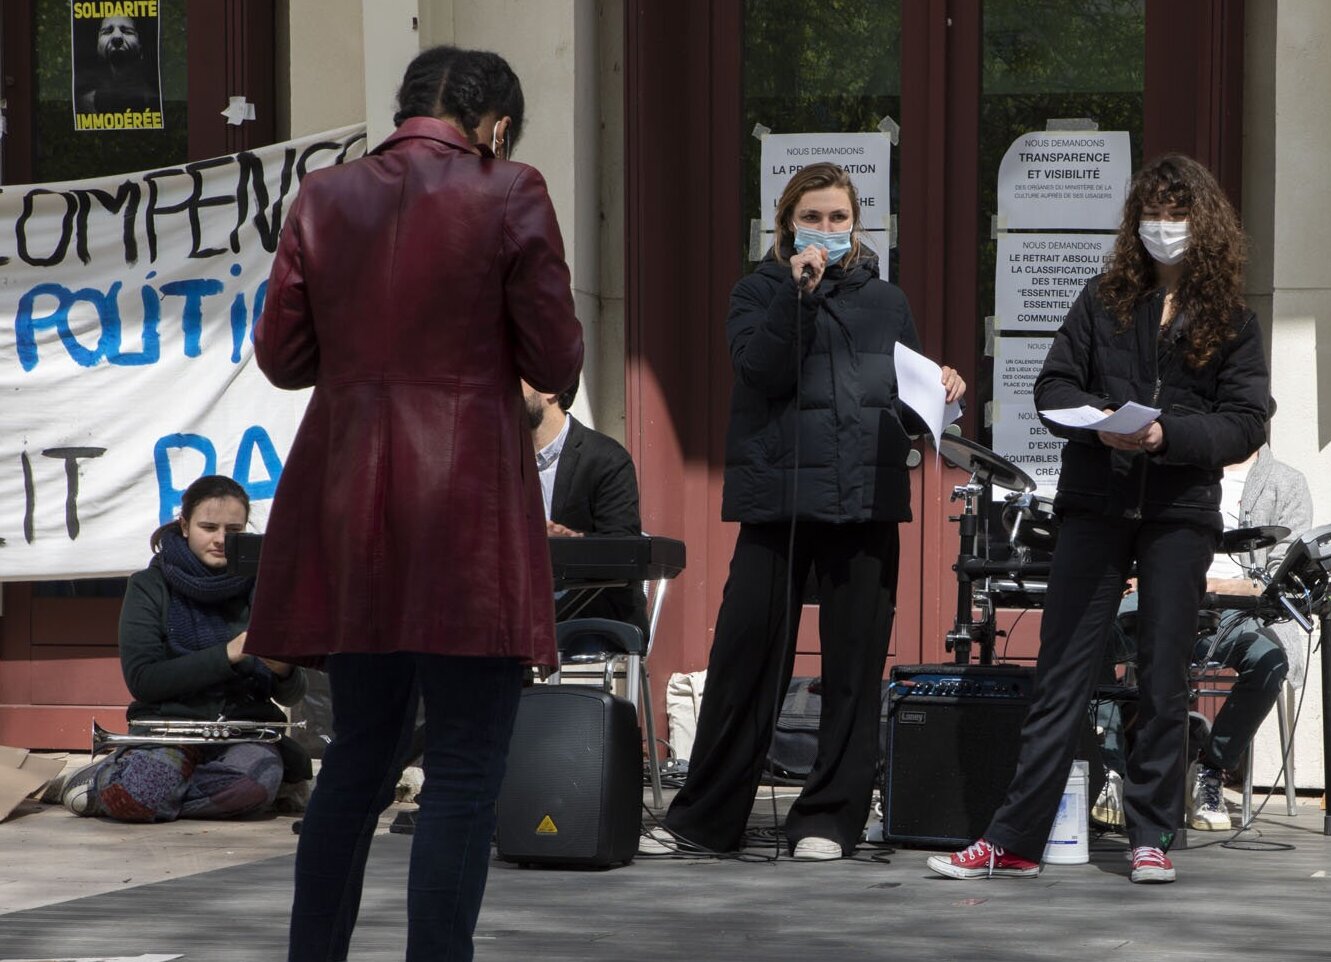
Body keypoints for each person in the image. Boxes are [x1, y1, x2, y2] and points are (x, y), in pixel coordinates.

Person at [247, 46, 584, 962]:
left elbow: (281, 360)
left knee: (358, 754)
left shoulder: (323, 196)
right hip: (465, 501)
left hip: (350, 494)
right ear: (498, 123)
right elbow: (554, 360)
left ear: (405, 111)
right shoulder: (510, 188)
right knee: (466, 768)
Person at [930, 154, 1269, 885]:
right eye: (1152, 213)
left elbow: (1245, 422)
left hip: (1179, 513)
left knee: (1163, 675)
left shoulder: (1232, 319)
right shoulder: (1102, 299)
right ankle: (1013, 840)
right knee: (1061, 672)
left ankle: (1152, 834)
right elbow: (1053, 384)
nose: (1162, 228)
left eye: (1177, 214)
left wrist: (1165, 435)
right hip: (1095, 506)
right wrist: (1095, 423)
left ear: (1201, 223)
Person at [660, 161, 965, 862]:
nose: (825, 231)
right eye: (813, 218)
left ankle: (828, 819)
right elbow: (759, 370)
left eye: (837, 218)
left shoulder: (888, 303)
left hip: (863, 504)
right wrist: (797, 298)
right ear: (786, 223)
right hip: (778, 506)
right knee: (745, 659)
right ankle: (704, 819)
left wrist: (943, 392)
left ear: (857, 224)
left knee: (853, 669)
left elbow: (905, 402)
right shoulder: (759, 292)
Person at [1088, 444, 1312, 834]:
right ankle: (1111, 771)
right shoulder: (1173, 467)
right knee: (1098, 632)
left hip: (1232, 605)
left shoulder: (1285, 482)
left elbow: (1280, 574)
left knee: (1269, 658)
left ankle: (1210, 768)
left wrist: (1217, 584)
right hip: (1157, 592)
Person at [59, 475, 308, 823]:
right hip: (168, 730)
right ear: (185, 525)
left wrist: (283, 668)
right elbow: (144, 680)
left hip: (244, 731)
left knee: (250, 788)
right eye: (209, 527)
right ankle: (108, 781)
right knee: (138, 798)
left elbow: (294, 692)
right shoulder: (148, 585)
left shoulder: (266, 587)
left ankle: (155, 790)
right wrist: (228, 654)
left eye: (234, 530)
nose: (222, 540)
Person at [524, 379, 647, 633]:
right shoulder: (497, 457)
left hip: (589, 611)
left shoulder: (607, 459)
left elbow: (624, 548)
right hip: (518, 612)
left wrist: (570, 542)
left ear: (551, 388)